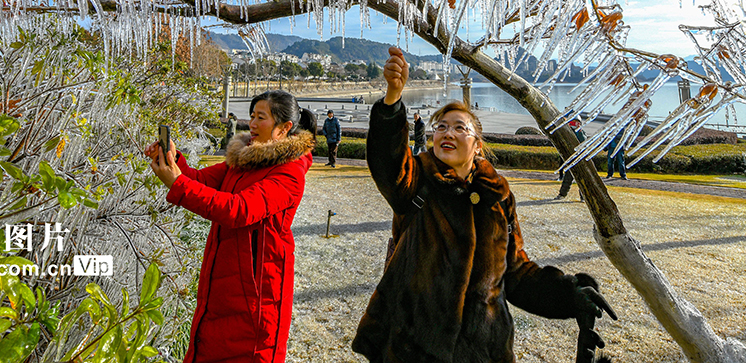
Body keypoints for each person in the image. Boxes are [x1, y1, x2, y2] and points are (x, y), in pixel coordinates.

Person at [352, 48, 616, 363]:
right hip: (412, 347)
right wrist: (393, 99)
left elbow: (515, 272)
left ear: (478, 145)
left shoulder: (498, 195)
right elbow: (388, 162)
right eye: (441, 127)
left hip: (484, 350)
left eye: (459, 127)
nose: (447, 132)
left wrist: (568, 294)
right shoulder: (416, 180)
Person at [147, 91, 317, 363]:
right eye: (251, 116)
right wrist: (173, 160)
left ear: (284, 128)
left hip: (256, 296)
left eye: (261, 117)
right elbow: (198, 181)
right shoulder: (243, 160)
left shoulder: (290, 172)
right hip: (222, 285)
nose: (251, 123)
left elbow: (238, 210)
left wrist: (177, 184)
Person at [555, 118, 587, 201]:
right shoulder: (568, 132)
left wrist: (579, 131)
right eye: (573, 122)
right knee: (567, 179)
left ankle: (583, 197)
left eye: (576, 123)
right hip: (571, 159)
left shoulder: (582, 133)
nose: (574, 124)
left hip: (580, 160)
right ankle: (562, 194)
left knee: (582, 180)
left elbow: (584, 142)